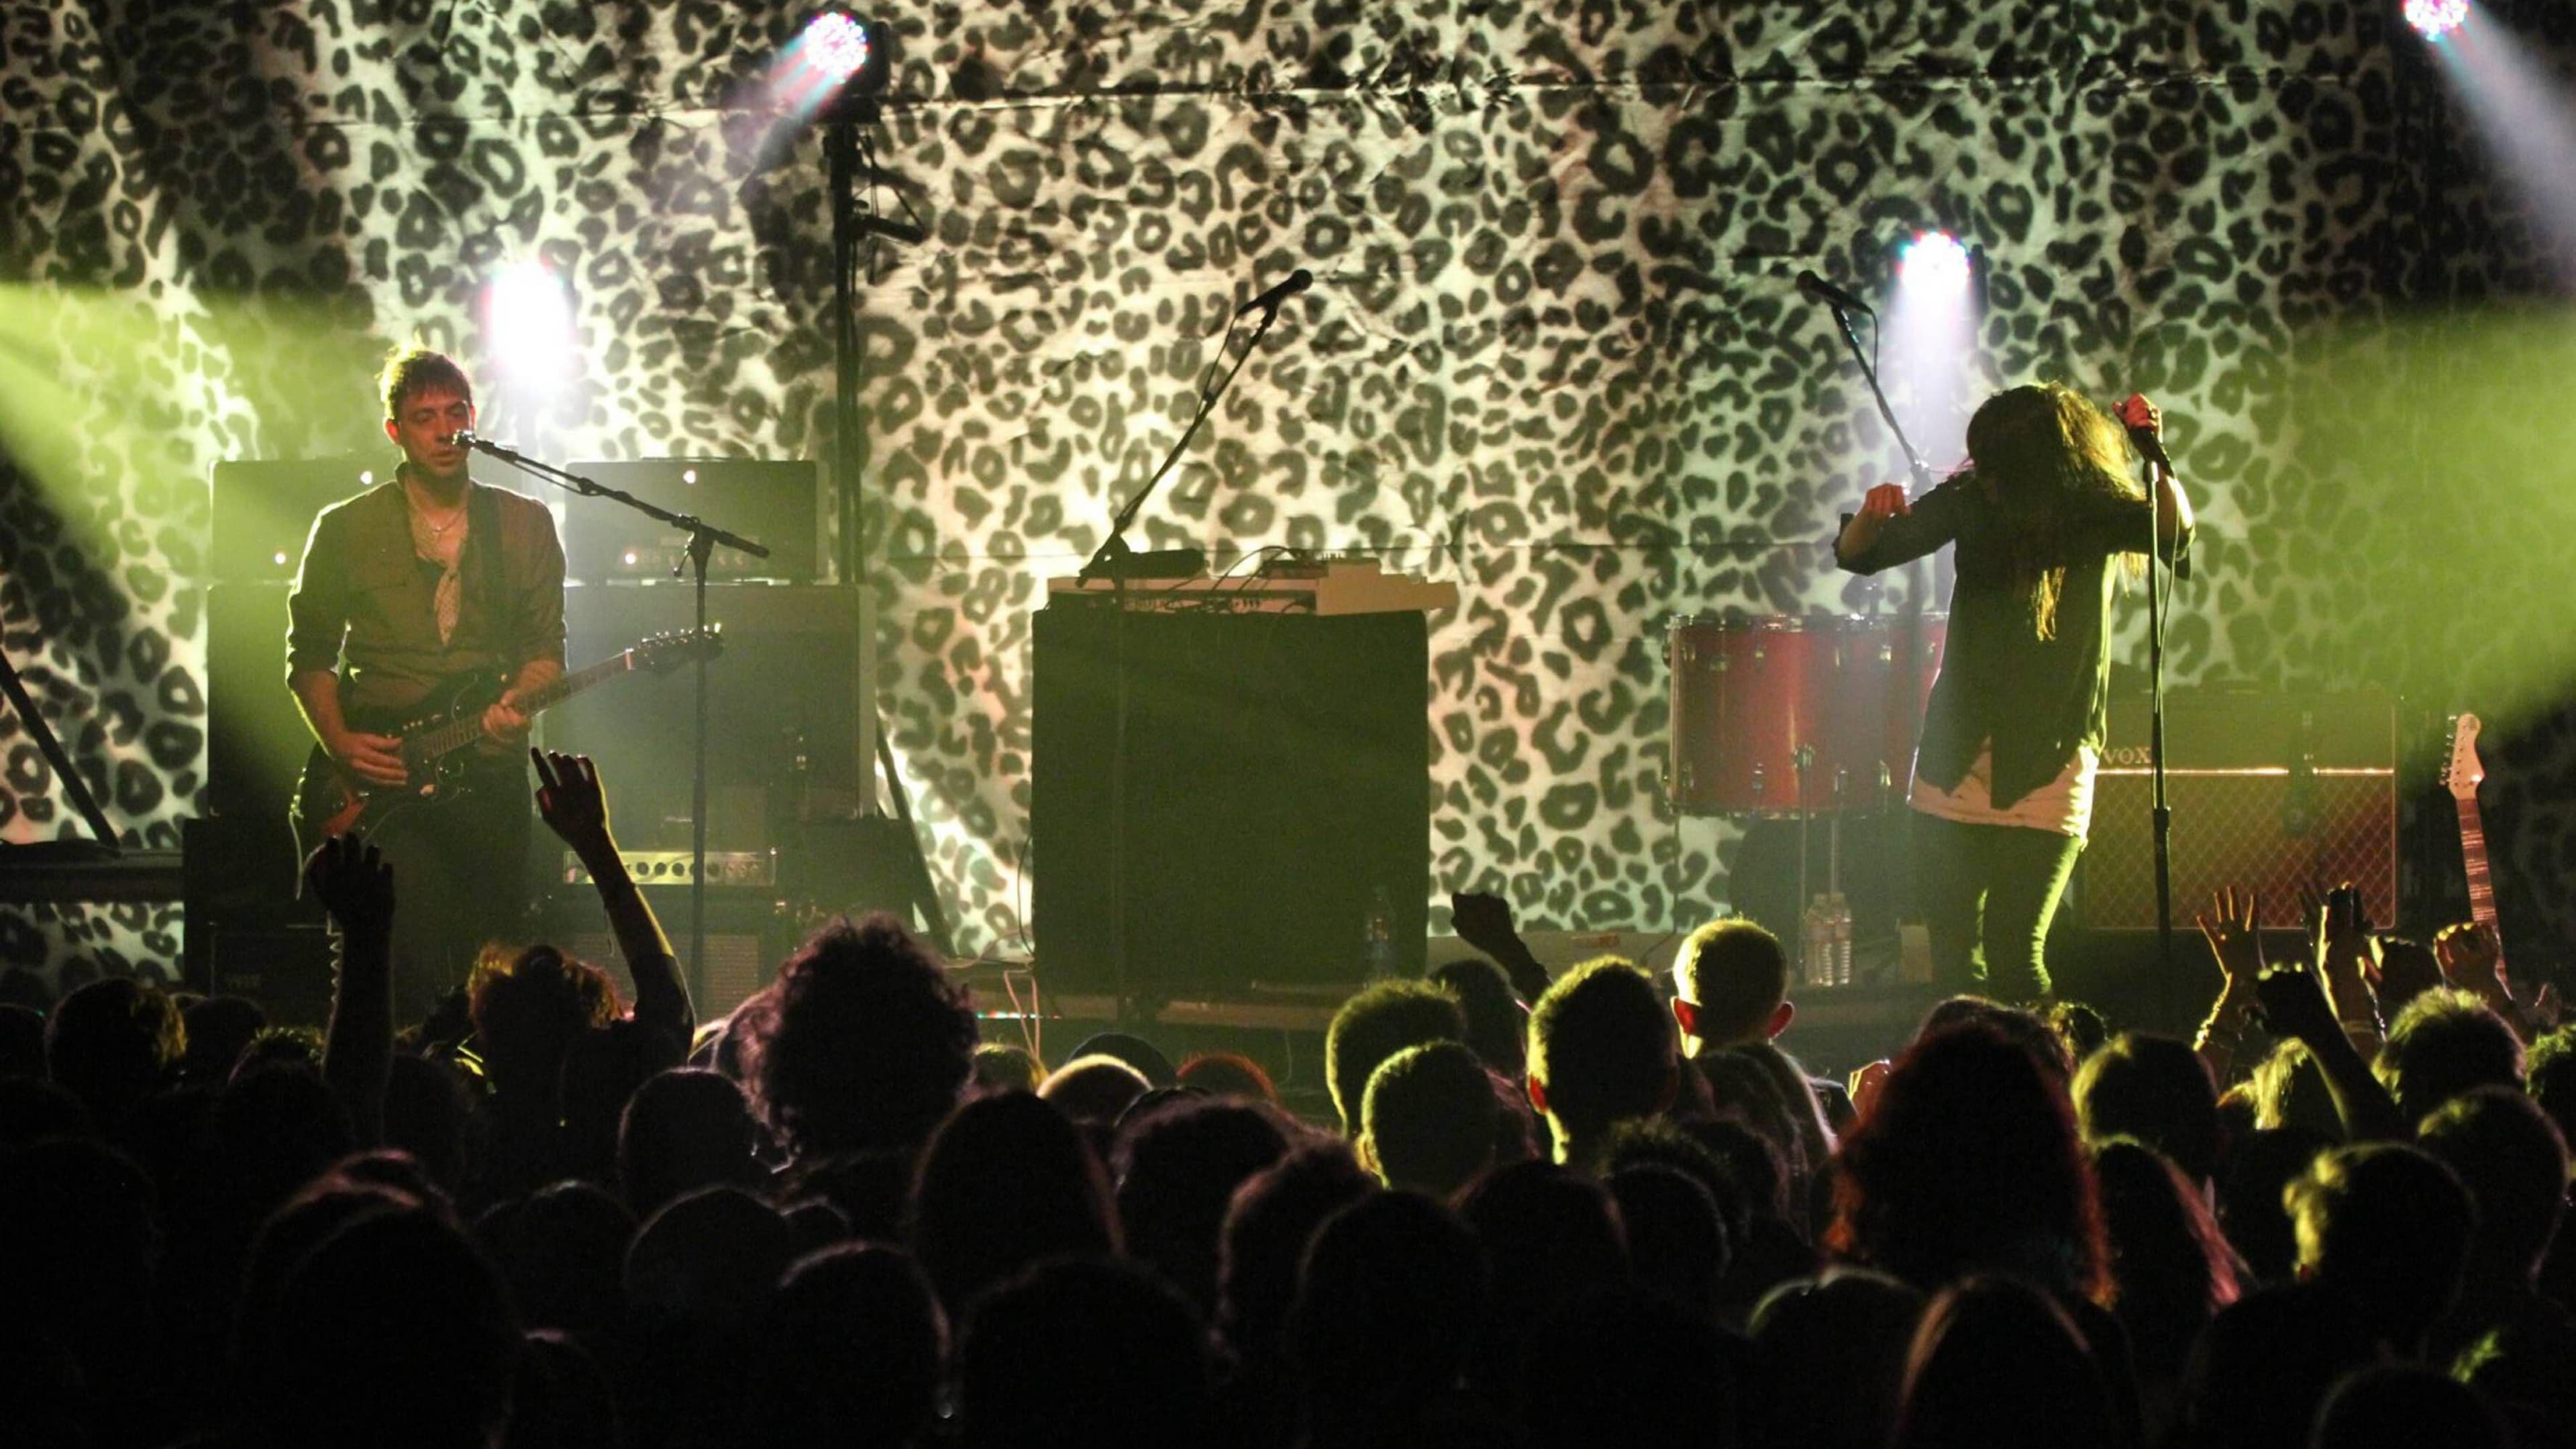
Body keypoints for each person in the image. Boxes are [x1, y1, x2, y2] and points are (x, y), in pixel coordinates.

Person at [1836, 383, 2193, 998]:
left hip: (2051, 754)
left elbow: (2174, 532)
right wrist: (1871, 515)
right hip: (1957, 749)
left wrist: (2153, 455)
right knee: (1952, 957)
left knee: (2015, 953)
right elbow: (1861, 554)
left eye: (1995, 465)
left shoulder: (2094, 506)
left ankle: (2034, 1082)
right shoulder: (1973, 499)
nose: (1982, 475)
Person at [287, 344, 567, 1019]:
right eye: (424, 418)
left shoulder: (524, 524)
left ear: (474, 416)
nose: (444, 431)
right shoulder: (345, 527)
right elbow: (309, 657)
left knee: (498, 960)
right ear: (396, 431)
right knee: (397, 949)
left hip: (485, 768)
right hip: (383, 769)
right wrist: (341, 744)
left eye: (455, 413)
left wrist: (514, 707)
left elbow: (544, 649)